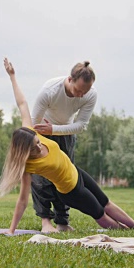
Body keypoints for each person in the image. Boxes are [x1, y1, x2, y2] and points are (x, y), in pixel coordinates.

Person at [0, 58, 134, 234]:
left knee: (106, 202)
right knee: (100, 215)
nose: (39, 147)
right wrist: (11, 230)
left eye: (38, 142)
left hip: (76, 173)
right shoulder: (27, 166)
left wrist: (12, 76)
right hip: (70, 190)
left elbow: (22, 103)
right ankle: (124, 231)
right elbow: (22, 200)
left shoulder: (33, 132)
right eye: (34, 149)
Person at [30, 61, 97, 233]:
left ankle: (62, 222)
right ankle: (46, 222)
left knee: (64, 178)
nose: (81, 95)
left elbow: (81, 125)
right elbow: (32, 122)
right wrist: (38, 140)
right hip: (42, 134)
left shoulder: (90, 95)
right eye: (78, 90)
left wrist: (55, 129)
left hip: (65, 134)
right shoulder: (49, 90)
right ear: (70, 79)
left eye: (85, 91)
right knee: (41, 180)